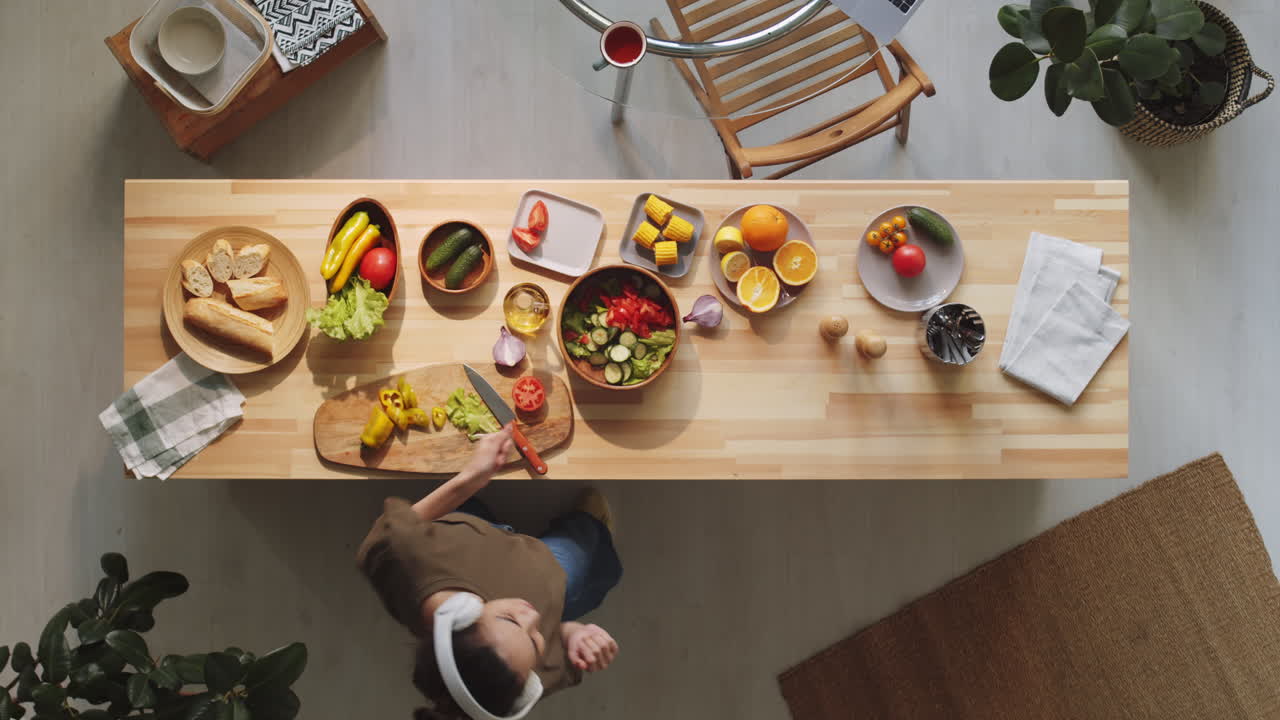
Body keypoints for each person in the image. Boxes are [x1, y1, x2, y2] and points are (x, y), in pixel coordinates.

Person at [357, 424, 623, 720]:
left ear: (461, 613)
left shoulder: (408, 561)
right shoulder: (519, 674)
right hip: (547, 567)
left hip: (467, 529)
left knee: (471, 508)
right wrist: (574, 633)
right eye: (535, 640)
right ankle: (588, 522)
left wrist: (470, 478)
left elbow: (383, 537)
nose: (533, 616)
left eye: (509, 619)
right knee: (579, 548)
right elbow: (559, 643)